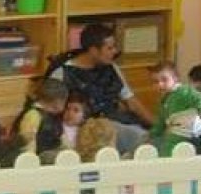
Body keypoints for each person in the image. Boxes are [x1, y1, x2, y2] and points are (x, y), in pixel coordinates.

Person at [49, 23, 151, 154]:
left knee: (145, 137)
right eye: (109, 48)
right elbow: (52, 110)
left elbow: (132, 102)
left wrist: (156, 126)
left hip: (115, 121)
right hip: (86, 129)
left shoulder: (111, 68)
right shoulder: (62, 73)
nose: (115, 51)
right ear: (93, 50)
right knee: (137, 138)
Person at [148, 61, 201, 157]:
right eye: (155, 82)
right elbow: (161, 121)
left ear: (175, 79)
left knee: (169, 146)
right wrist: (153, 133)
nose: (160, 84)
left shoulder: (182, 90)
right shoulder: (163, 101)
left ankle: (166, 161)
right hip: (180, 128)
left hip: (188, 125)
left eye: (164, 80)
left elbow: (197, 96)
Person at [12, 78, 68, 157]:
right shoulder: (33, 115)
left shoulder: (54, 117)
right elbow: (28, 142)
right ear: (58, 102)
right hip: (39, 158)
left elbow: (63, 139)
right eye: (64, 101)